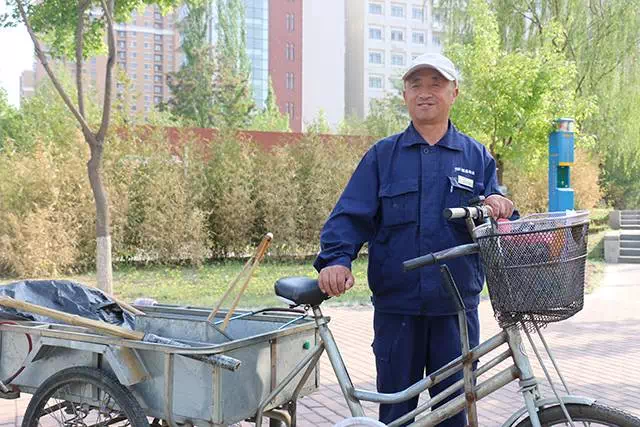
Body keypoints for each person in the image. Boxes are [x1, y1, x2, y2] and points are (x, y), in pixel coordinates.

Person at [313, 52, 515, 426]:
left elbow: (501, 216)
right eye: (415, 85)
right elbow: (350, 214)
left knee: (453, 411)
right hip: (398, 309)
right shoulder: (383, 156)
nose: (425, 92)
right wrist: (337, 260)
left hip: (456, 310)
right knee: (396, 413)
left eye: (436, 84)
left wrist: (498, 203)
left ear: (454, 92)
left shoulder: (476, 156)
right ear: (405, 95)